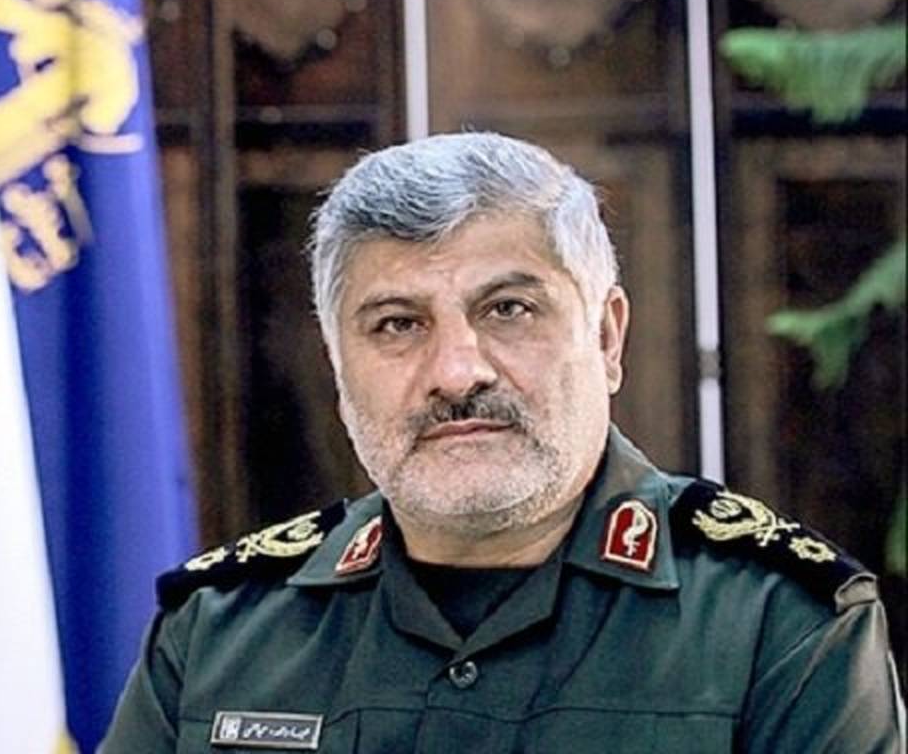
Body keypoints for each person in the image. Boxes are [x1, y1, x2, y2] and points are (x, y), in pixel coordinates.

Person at [99, 132, 905, 752]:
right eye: (398, 324)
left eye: (508, 310)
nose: (457, 372)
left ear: (607, 337)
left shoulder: (780, 626)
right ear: (338, 368)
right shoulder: (219, 634)